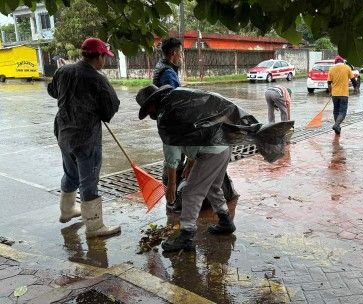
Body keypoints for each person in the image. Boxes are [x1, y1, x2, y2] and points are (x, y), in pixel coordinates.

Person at [136, 86, 237, 252]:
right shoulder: (180, 105)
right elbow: (193, 136)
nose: (149, 114)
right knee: (213, 186)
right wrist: (190, 164)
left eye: (148, 110)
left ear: (152, 103)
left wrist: (172, 185)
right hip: (224, 145)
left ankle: (186, 236)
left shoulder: (166, 117)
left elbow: (172, 156)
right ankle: (225, 221)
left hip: (212, 151)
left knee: (191, 192)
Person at [47, 37, 121, 238]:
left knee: (71, 172)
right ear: (98, 57)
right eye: (104, 57)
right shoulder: (97, 79)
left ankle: (67, 210)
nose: (104, 61)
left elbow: (52, 91)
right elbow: (110, 109)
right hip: (86, 136)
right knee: (89, 179)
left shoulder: (63, 71)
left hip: (63, 133)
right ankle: (95, 227)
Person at [152, 37, 184, 213]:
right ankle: (173, 200)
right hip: (171, 124)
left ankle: (172, 199)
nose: (181, 56)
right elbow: (174, 100)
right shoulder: (167, 73)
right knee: (175, 162)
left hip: (166, 122)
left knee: (172, 160)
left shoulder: (162, 67)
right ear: (173, 53)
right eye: (180, 53)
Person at [327, 55, 354, 134]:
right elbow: (353, 80)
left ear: (335, 62)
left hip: (334, 95)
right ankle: (336, 125)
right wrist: (356, 88)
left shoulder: (331, 69)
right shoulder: (347, 68)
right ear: (342, 61)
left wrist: (330, 92)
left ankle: (337, 128)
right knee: (342, 112)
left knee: (336, 111)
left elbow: (329, 83)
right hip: (344, 94)